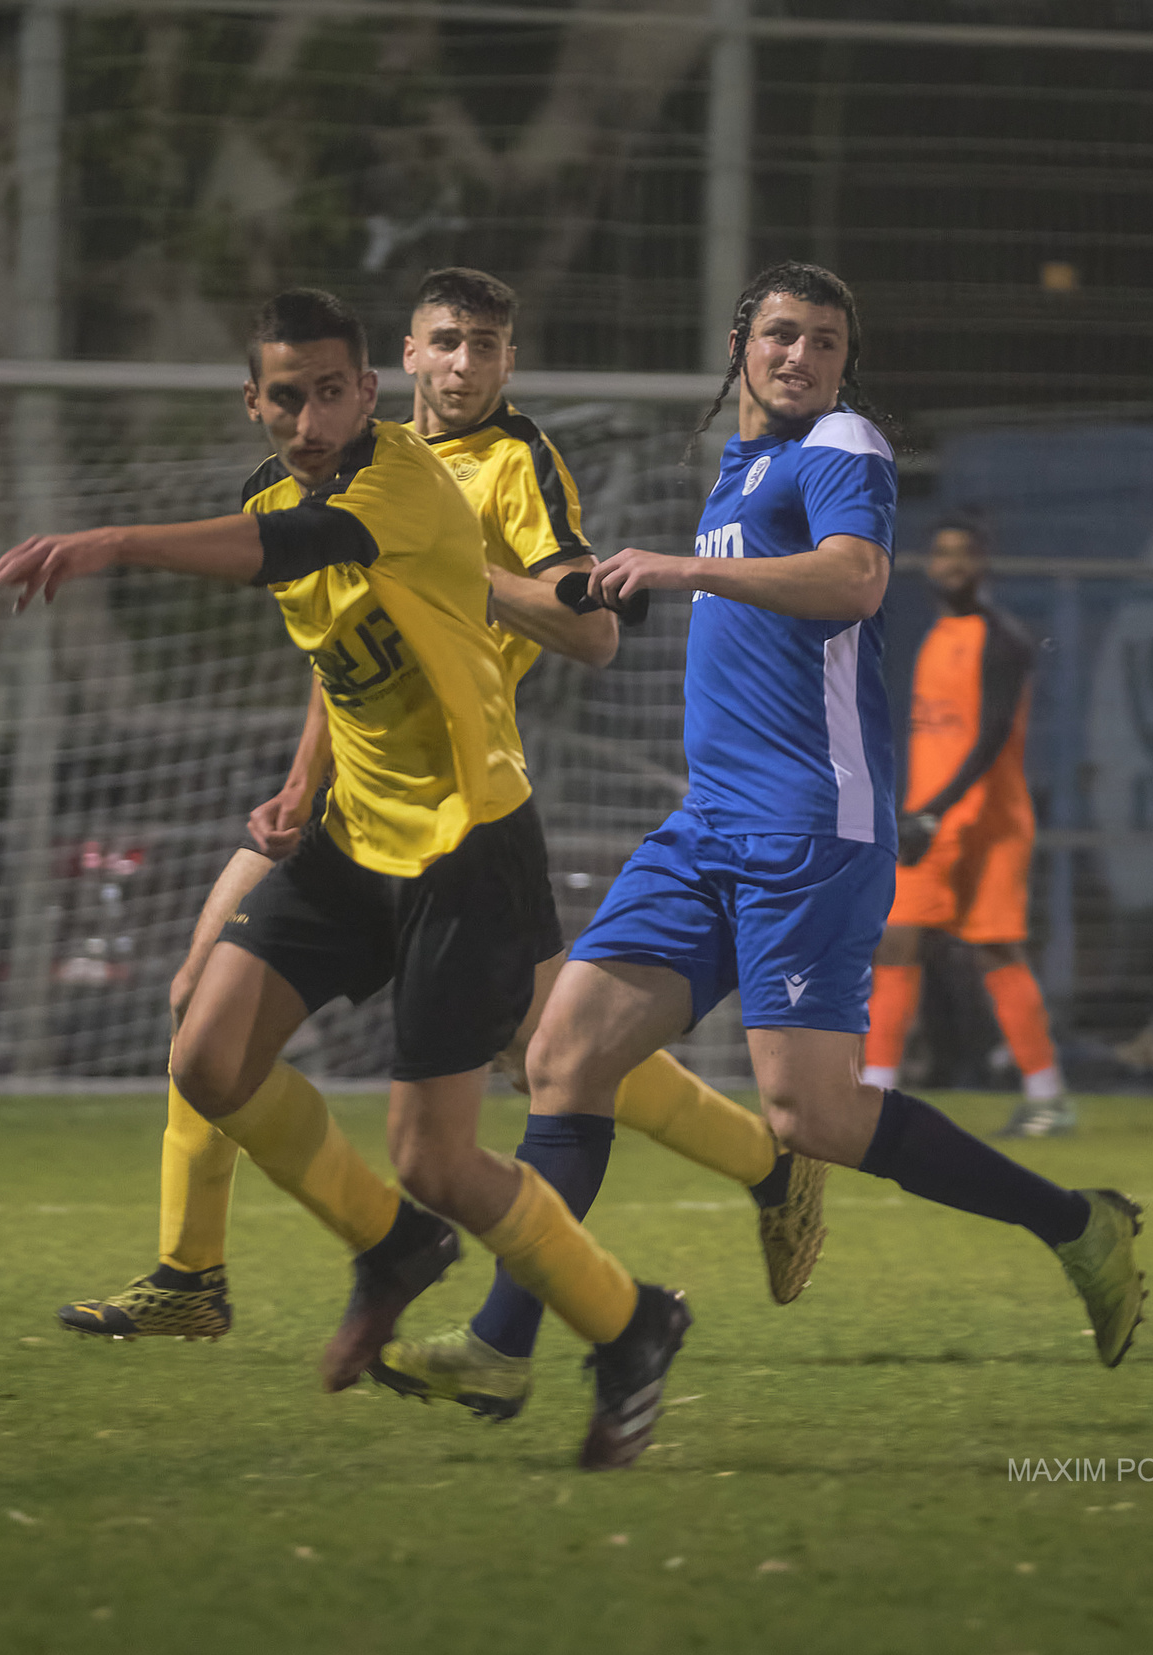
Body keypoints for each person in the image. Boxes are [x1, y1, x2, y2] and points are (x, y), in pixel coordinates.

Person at [57, 269, 825, 1428]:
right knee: (203, 1022)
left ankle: (730, 1208)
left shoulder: (492, 469)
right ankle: (197, 1272)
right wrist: (303, 774)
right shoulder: (299, 479)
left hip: (466, 823)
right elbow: (343, 633)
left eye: (487, 346)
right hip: (351, 812)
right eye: (448, 343)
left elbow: (590, 629)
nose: (466, 366)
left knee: (537, 1072)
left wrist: (486, 581)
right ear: (405, 362)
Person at [470, 261, 1147, 1378]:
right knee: (564, 1056)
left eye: (824, 342)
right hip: (709, 827)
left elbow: (856, 579)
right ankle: (499, 1347)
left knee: (814, 1118)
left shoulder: (842, 446)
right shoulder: (741, 472)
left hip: (809, 830)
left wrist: (685, 569)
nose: (801, 357)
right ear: (740, 340)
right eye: (782, 334)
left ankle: (1078, 1224)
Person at [863, 514, 1077, 1135]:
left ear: (984, 565)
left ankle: (1047, 1098)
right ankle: (877, 1093)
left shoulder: (1003, 640)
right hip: (938, 817)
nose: (952, 564)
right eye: (943, 553)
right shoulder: (938, 636)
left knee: (992, 949)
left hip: (984, 820)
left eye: (965, 554)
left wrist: (935, 809)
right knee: (898, 939)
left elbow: (991, 737)